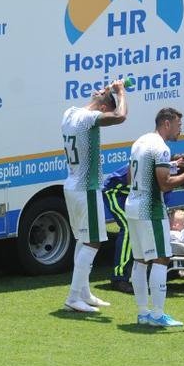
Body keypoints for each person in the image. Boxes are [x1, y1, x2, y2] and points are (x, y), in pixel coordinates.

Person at [124, 107, 184, 327]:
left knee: (140, 260)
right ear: (167, 124)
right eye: (178, 125)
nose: (180, 130)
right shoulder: (161, 148)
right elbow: (164, 183)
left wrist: (170, 166)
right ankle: (158, 315)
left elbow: (132, 176)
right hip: (150, 207)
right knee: (161, 258)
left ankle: (143, 313)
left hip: (133, 203)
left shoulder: (140, 142)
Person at [60, 80, 127, 313]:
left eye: (104, 94)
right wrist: (120, 92)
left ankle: (83, 292)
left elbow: (111, 114)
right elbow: (120, 116)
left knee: (83, 238)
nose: (101, 90)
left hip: (73, 184)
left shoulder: (71, 113)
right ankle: (72, 297)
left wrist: (111, 95)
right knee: (93, 240)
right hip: (85, 186)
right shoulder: (88, 118)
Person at [102, 163, 132, 293]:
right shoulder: (159, 163)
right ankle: (119, 277)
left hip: (129, 193)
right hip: (114, 192)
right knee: (128, 228)